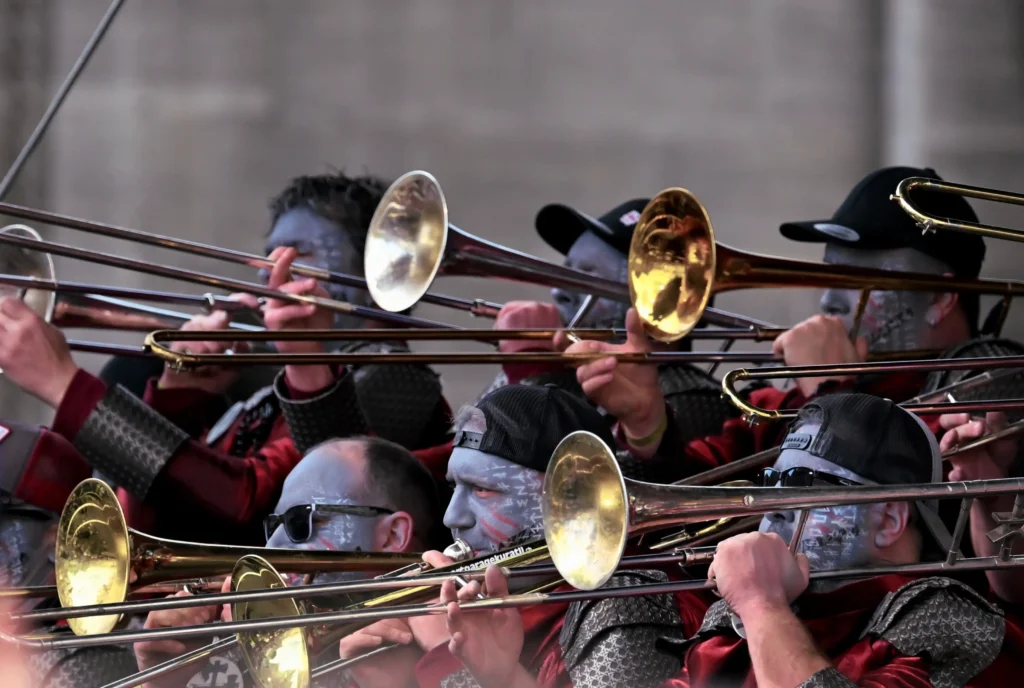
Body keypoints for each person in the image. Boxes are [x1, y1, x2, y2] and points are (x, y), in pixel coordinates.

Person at [443, 393, 1014, 688]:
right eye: (769, 487)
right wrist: (504, 675)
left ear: (888, 520)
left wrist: (762, 606)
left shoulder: (949, 616)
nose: (766, 511)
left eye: (801, 490)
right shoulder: (740, 617)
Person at [563, 166, 1001, 480]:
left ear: (941, 298)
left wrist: (832, 395)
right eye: (828, 274)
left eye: (857, 280)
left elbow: (897, 525)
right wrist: (646, 422)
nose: (829, 299)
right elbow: (696, 490)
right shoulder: (784, 401)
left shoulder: (983, 400)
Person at [336, 384, 712, 688]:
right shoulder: (513, 598)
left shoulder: (626, 602)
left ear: (577, 504)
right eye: (455, 488)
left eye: (483, 490)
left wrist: (447, 657)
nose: (453, 517)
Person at [0, 248, 369, 545]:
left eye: (301, 256)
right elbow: (142, 528)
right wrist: (179, 395)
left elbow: (252, 500)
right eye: (270, 254)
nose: (273, 273)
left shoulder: (380, 379)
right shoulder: (259, 394)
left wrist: (65, 386)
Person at [131, 435, 441, 688]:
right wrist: (161, 681)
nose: (271, 546)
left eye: (299, 523)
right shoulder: (237, 642)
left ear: (392, 535)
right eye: (273, 526)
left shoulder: (445, 641)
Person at [479, 198, 739, 473]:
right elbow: (460, 458)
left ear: (657, 299)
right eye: (566, 271)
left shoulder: (686, 394)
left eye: (587, 276)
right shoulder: (572, 378)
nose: (559, 292)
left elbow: (567, 490)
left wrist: (530, 368)